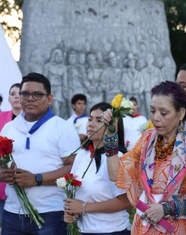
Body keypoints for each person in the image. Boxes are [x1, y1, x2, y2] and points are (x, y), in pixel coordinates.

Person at [103, 81, 186, 234]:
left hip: (176, 228)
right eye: (152, 111)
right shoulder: (147, 139)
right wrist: (111, 135)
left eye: (163, 113)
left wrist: (165, 208)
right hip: (144, 225)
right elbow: (115, 174)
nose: (156, 118)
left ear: (181, 113)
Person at [0, 72, 80, 234]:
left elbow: (74, 168)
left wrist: (37, 179)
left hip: (50, 214)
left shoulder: (61, 128)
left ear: (49, 98)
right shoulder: (9, 127)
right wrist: (3, 174)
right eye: (25, 94)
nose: (30, 98)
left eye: (37, 94)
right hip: (12, 212)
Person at [63, 102, 132, 234]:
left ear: (112, 126)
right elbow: (77, 190)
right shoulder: (82, 155)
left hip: (112, 230)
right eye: (90, 119)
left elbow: (126, 201)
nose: (91, 124)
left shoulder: (117, 158)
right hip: (85, 230)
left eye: (99, 120)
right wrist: (73, 213)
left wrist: (84, 207)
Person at [0, 83, 21, 223]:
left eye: (20, 93)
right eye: (13, 94)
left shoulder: (31, 119)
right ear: (8, 98)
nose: (16, 97)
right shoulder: (2, 118)